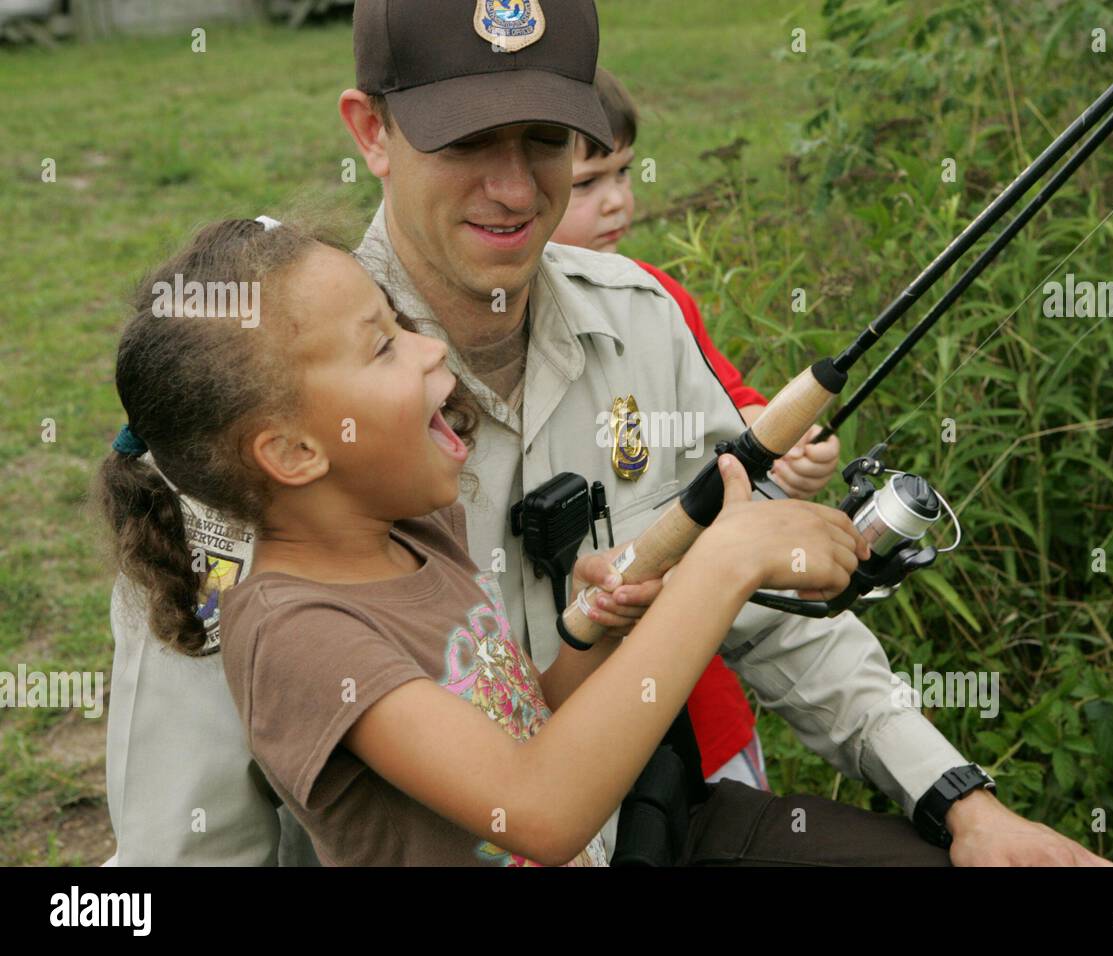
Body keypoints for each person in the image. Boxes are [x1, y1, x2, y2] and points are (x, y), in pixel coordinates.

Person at [103, 0, 1113, 867]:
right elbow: (185, 837)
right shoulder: (240, 436)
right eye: (466, 141)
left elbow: (757, 622)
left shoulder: (638, 318)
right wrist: (718, 559)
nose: (513, 187)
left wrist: (960, 801)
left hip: (658, 821)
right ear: (369, 129)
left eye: (545, 138)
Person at [95, 214, 870, 865]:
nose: (429, 346)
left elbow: (516, 728)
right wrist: (724, 567)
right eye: (383, 346)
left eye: (398, 322)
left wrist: (584, 635)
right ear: (294, 453)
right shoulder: (297, 635)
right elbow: (535, 809)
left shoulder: (415, 536)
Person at [550, 65, 848, 791]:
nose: (617, 200)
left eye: (622, 172)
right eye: (588, 183)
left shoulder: (656, 298)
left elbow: (737, 411)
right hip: (565, 725)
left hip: (705, 719)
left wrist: (788, 449)